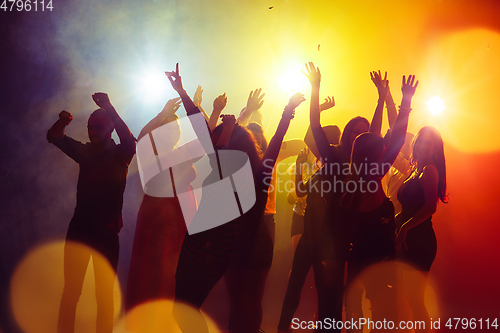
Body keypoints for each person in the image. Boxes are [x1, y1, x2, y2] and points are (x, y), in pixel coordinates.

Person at [164, 64, 306, 333]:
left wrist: (288, 111)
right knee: (200, 308)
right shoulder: (224, 162)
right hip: (215, 244)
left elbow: (276, 139)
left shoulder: (256, 171)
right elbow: (200, 126)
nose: (214, 136)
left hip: (246, 244)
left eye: (219, 134)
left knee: (246, 308)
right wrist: (181, 92)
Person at [47, 93, 136, 333]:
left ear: (110, 129)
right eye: (90, 127)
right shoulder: (85, 152)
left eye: (99, 126)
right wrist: (63, 121)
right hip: (80, 231)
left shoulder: (121, 153)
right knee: (72, 291)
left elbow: (130, 141)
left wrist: (109, 106)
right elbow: (53, 136)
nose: (93, 131)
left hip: (106, 234)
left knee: (104, 295)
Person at [125, 97, 197, 332]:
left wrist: (208, 110)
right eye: (168, 127)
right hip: (158, 216)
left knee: (178, 271)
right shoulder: (150, 153)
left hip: (180, 215)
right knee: (155, 269)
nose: (174, 130)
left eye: (177, 127)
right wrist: (161, 113)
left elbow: (207, 141)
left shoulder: (180, 152)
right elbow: (142, 137)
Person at [396, 126, 447, 332]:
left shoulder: (430, 170)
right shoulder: (415, 170)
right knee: (410, 298)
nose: (423, 145)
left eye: (429, 143)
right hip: (409, 236)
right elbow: (408, 208)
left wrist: (404, 228)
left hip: (420, 239)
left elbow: (430, 207)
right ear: (414, 144)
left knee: (415, 300)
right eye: (421, 141)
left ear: (435, 149)